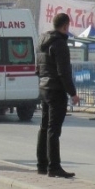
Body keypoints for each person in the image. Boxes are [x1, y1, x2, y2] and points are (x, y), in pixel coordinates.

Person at [35, 13, 81, 178]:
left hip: (44, 87)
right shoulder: (60, 44)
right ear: (65, 26)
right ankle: (54, 166)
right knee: (54, 129)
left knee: (44, 127)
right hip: (56, 90)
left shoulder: (42, 42)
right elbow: (63, 72)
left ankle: (42, 164)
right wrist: (73, 93)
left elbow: (38, 68)